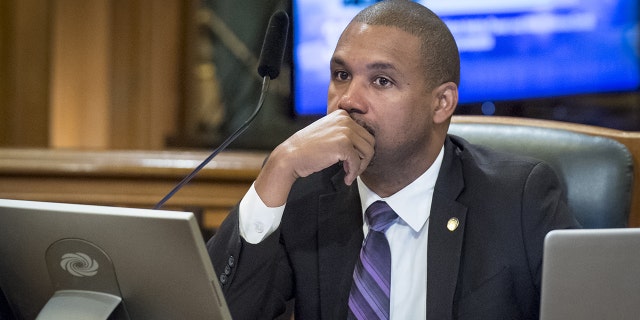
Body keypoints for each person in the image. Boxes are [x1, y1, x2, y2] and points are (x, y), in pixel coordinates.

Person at [206, 0, 580, 319]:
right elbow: (220, 312)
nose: (348, 100)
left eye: (382, 81)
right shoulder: (305, 192)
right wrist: (278, 167)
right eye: (341, 75)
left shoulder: (518, 199)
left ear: (442, 103)